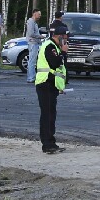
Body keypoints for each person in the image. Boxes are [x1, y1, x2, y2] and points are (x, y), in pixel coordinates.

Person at [34, 25, 68, 154]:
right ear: (58, 36)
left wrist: (60, 86)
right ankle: (47, 144)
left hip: (50, 84)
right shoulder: (49, 46)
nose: (66, 40)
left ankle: (51, 142)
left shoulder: (54, 47)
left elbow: (60, 69)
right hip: (45, 83)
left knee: (51, 115)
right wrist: (64, 52)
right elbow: (54, 63)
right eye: (64, 38)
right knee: (47, 115)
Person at [24, 8, 43, 79]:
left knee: (33, 61)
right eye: (39, 14)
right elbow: (31, 33)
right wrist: (40, 36)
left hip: (35, 43)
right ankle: (31, 77)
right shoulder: (31, 22)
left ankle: (32, 76)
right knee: (32, 61)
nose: (40, 16)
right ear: (34, 14)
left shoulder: (34, 23)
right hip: (32, 43)